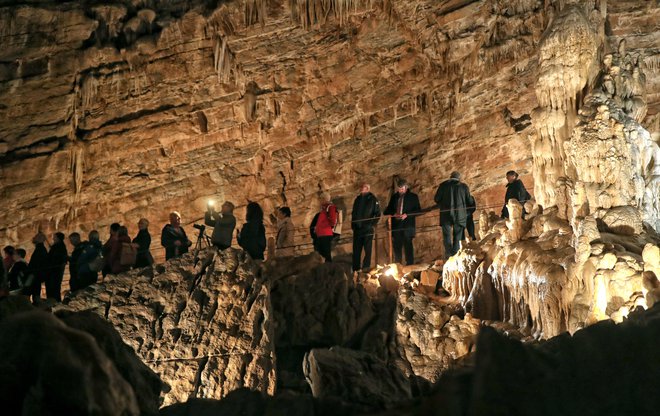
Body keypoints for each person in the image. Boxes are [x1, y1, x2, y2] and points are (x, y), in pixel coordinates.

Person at [434, 171, 475, 259]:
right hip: (460, 215)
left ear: (450, 177)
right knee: (458, 235)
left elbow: (436, 199)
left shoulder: (443, 185)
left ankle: (448, 255)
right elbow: (469, 201)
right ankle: (455, 255)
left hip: (446, 215)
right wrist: (472, 200)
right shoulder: (463, 187)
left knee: (447, 235)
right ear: (459, 178)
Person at [384, 179, 421, 265]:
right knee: (397, 246)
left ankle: (410, 264)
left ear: (406, 187)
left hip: (408, 225)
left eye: (402, 189)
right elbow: (387, 210)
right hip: (397, 226)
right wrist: (394, 213)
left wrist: (407, 214)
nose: (400, 190)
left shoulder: (413, 197)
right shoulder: (394, 197)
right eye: (399, 189)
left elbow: (418, 211)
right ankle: (398, 264)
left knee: (408, 245)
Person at [351, 183, 381, 272]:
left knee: (367, 249)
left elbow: (378, 214)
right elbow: (354, 213)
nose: (361, 188)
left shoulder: (373, 199)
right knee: (356, 249)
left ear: (367, 188)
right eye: (361, 187)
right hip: (357, 228)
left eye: (363, 187)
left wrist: (371, 224)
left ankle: (366, 267)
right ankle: (356, 268)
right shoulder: (358, 199)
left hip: (367, 228)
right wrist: (353, 225)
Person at [314, 193, 338, 262]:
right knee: (321, 254)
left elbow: (333, 220)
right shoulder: (324, 208)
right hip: (321, 234)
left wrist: (325, 226)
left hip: (326, 234)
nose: (319, 201)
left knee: (326, 254)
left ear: (324, 199)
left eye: (320, 199)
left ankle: (329, 270)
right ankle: (326, 269)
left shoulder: (330, 207)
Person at [27, 232, 49, 303]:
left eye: (36, 237)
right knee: (35, 292)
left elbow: (36, 263)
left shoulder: (40, 249)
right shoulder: (41, 249)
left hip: (35, 275)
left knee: (34, 292)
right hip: (37, 274)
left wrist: (30, 272)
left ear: (40, 239)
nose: (34, 238)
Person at [46, 232, 68, 302]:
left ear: (58, 238)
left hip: (54, 272)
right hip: (56, 272)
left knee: (53, 289)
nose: (53, 238)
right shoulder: (61, 246)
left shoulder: (58, 247)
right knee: (55, 288)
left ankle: (54, 303)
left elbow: (55, 259)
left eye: (54, 237)